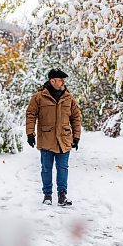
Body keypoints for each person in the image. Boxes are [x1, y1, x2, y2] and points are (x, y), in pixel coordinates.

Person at [25, 68, 81, 206]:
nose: (63, 82)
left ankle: (62, 195)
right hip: (46, 139)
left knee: (63, 168)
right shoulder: (39, 97)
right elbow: (31, 114)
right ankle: (47, 195)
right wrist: (30, 133)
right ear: (52, 81)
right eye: (60, 79)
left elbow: (76, 118)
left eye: (63, 80)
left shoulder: (69, 98)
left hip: (64, 139)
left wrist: (76, 137)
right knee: (46, 168)